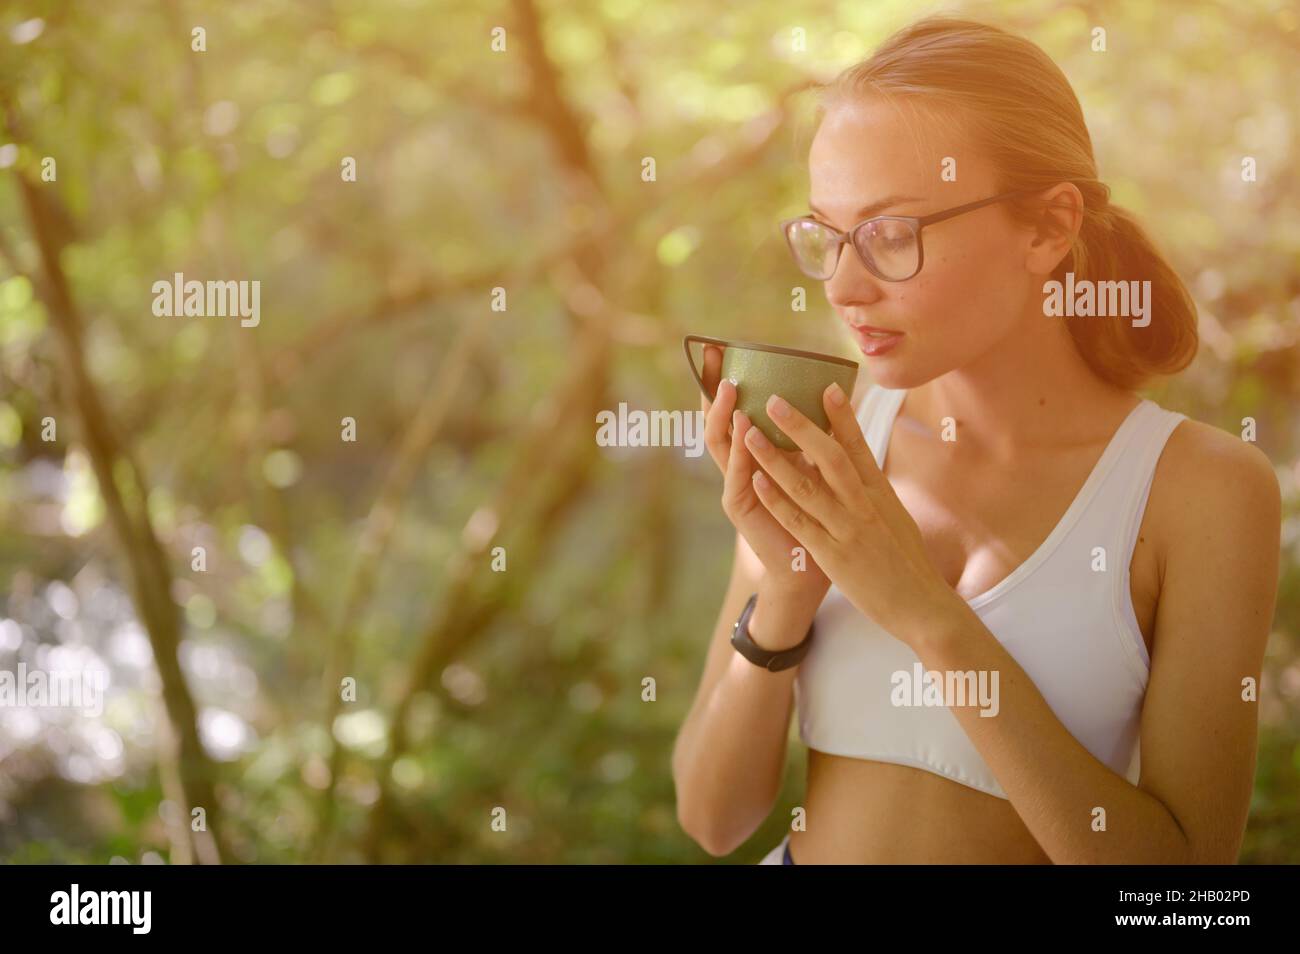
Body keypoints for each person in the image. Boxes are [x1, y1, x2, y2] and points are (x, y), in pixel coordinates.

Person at [671, 16, 1281, 865]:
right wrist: (784, 592)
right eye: (828, 236)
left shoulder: (1202, 492)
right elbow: (711, 821)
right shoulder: (830, 441)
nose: (843, 287)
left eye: (890, 235)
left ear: (1047, 228)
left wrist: (928, 616)